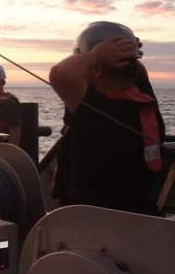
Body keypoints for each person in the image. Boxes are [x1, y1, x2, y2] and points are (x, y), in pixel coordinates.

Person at [48, 21, 164, 215]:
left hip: (96, 225)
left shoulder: (99, 113)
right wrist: (128, 51)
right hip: (142, 216)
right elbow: (140, 72)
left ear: (97, 70)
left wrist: (94, 56)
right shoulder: (145, 101)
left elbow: (60, 74)